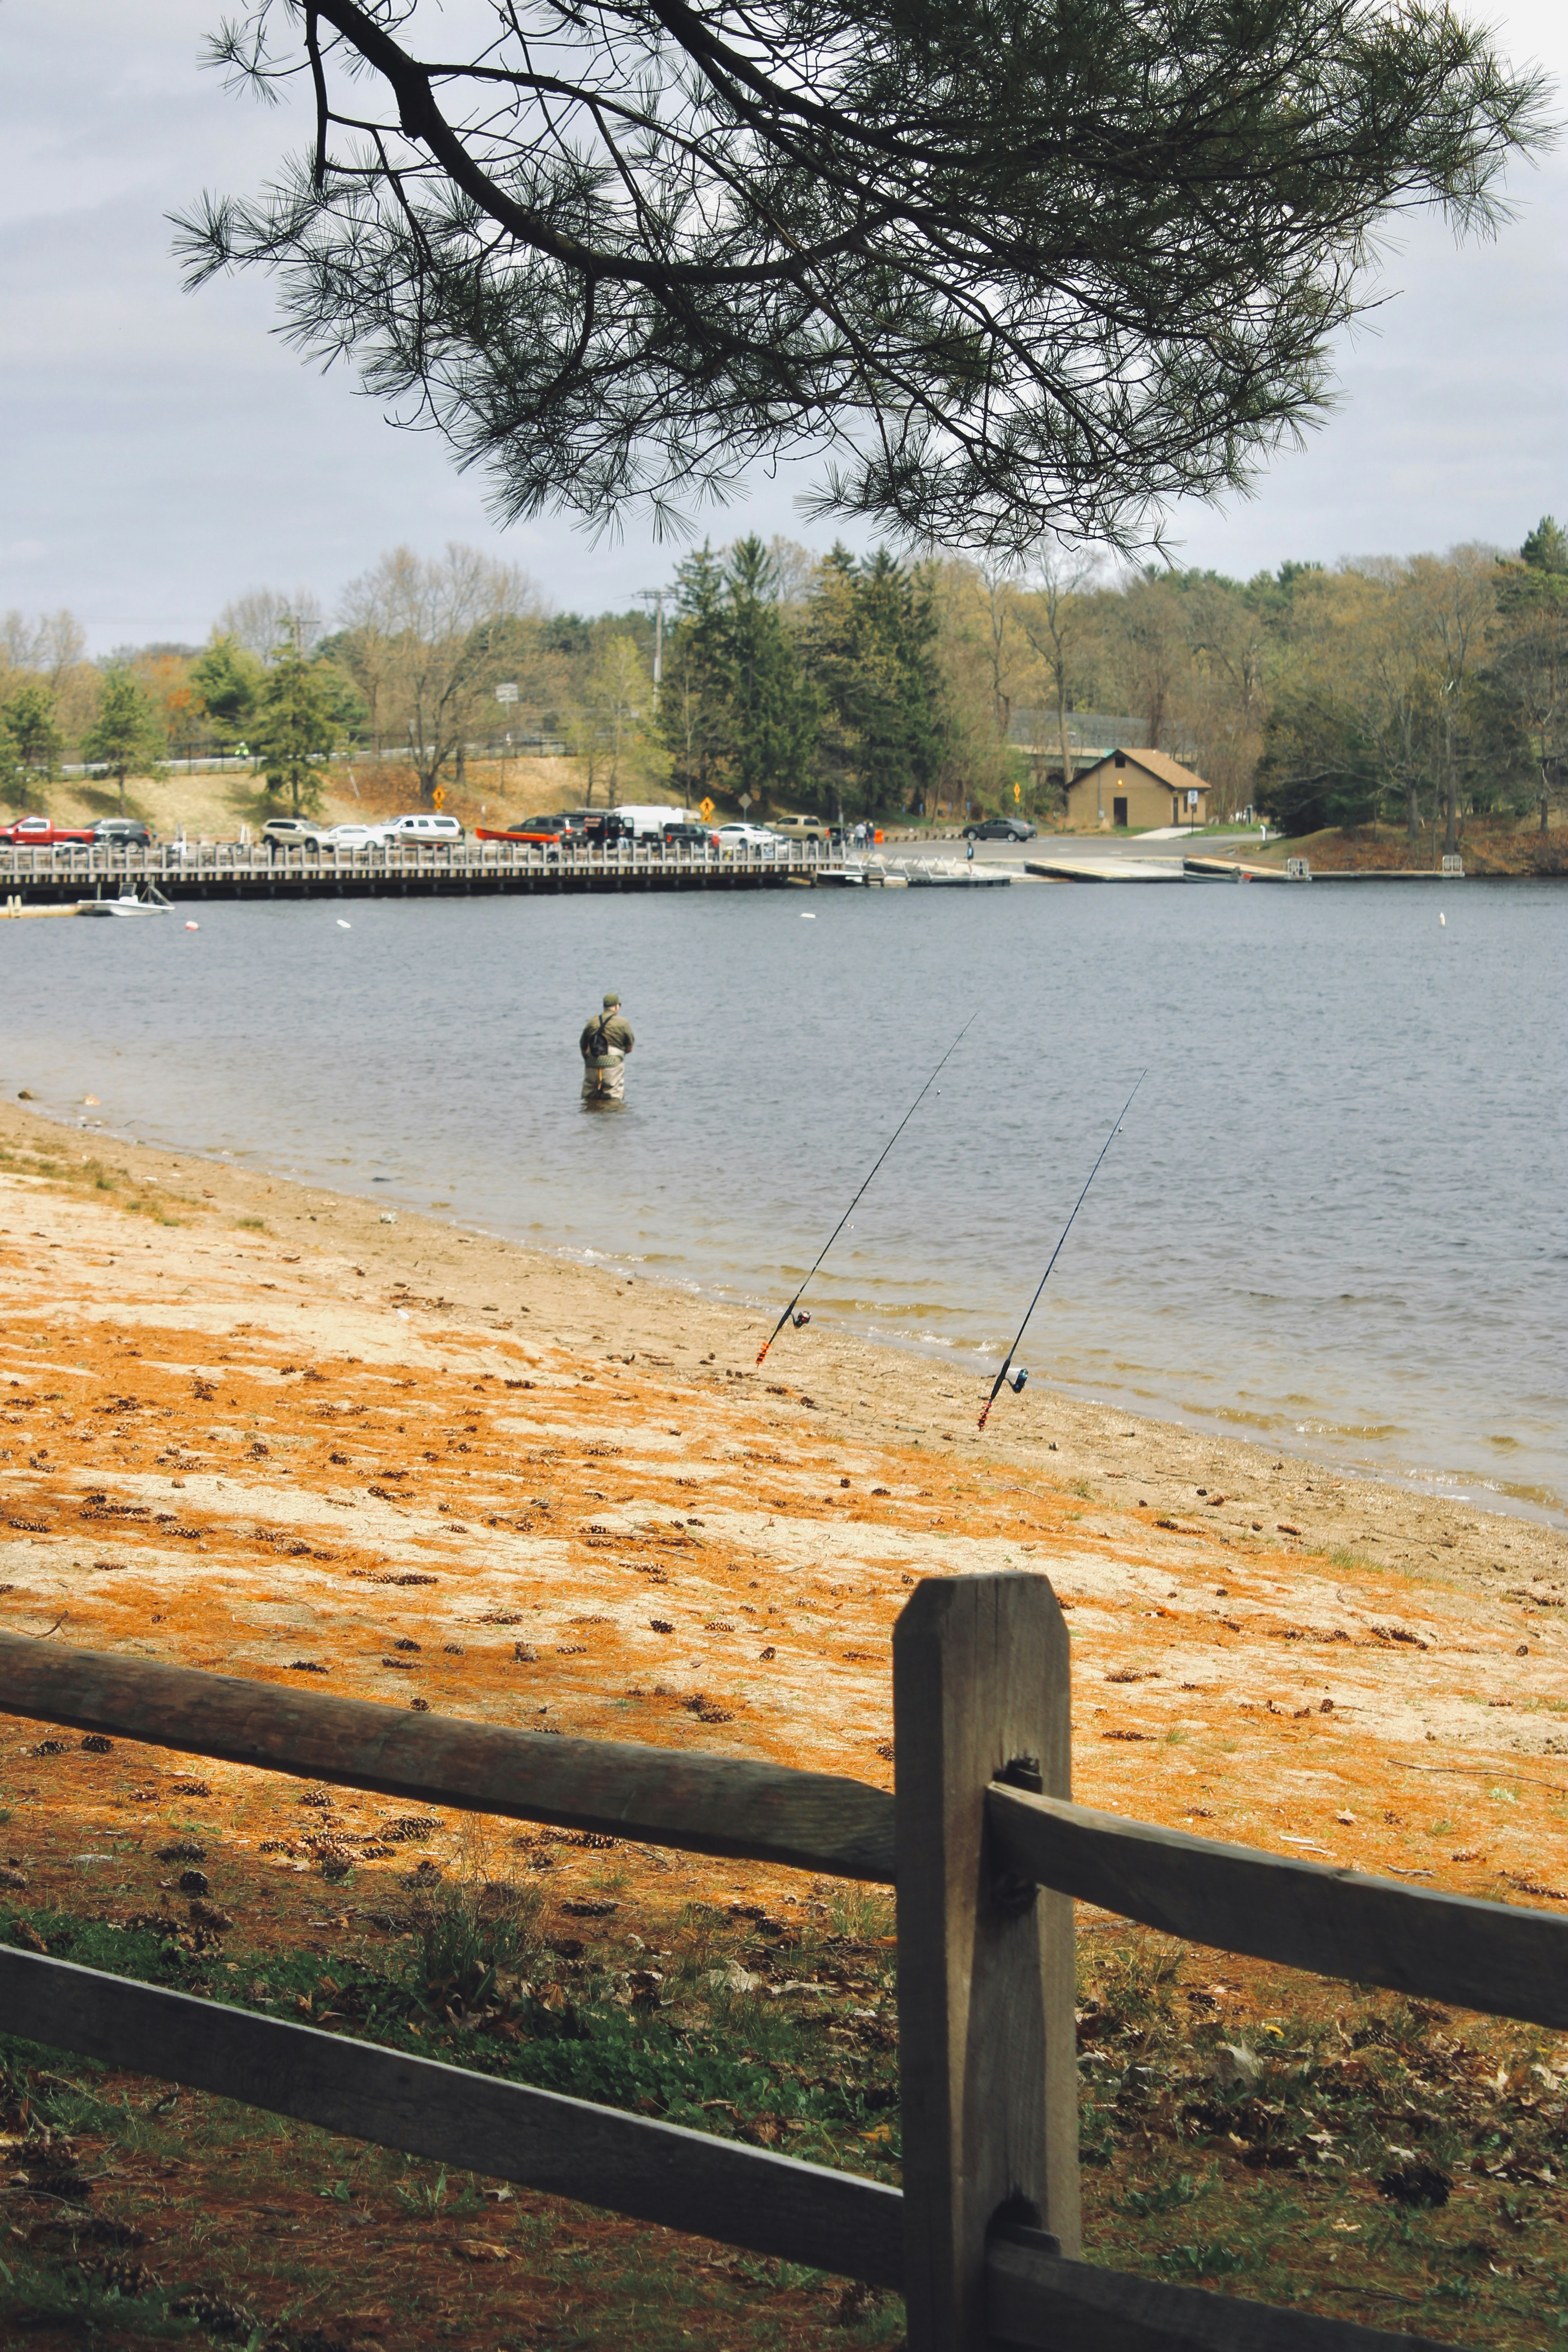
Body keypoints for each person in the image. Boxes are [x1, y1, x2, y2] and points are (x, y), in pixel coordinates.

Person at [580, 991, 635, 1103]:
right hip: (612, 1065)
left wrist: (589, 1060)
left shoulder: (592, 1022)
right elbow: (630, 1048)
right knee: (613, 1097)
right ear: (616, 1007)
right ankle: (610, 1113)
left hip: (592, 1063)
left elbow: (583, 1046)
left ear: (604, 1007)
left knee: (589, 1097)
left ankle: (590, 1112)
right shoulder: (623, 1023)